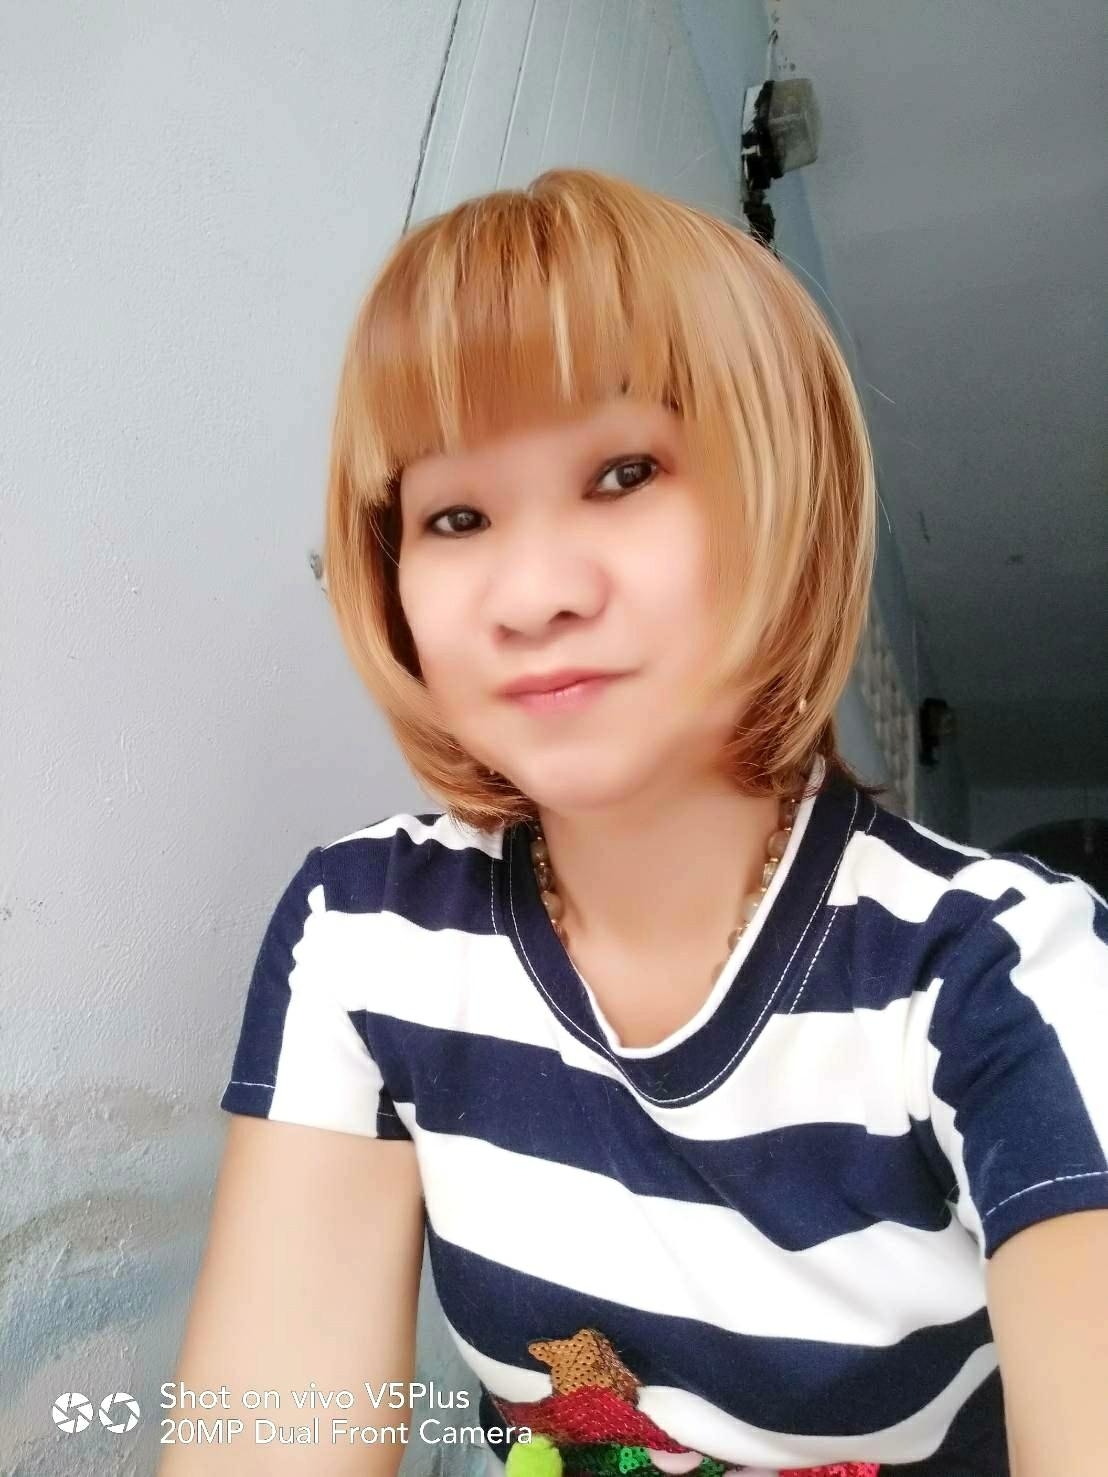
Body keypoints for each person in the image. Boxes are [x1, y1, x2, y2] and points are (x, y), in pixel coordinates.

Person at [163, 169, 1108, 1477]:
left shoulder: (1002, 969)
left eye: (624, 472)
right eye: (454, 516)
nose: (533, 593)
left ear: (783, 492)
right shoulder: (365, 933)